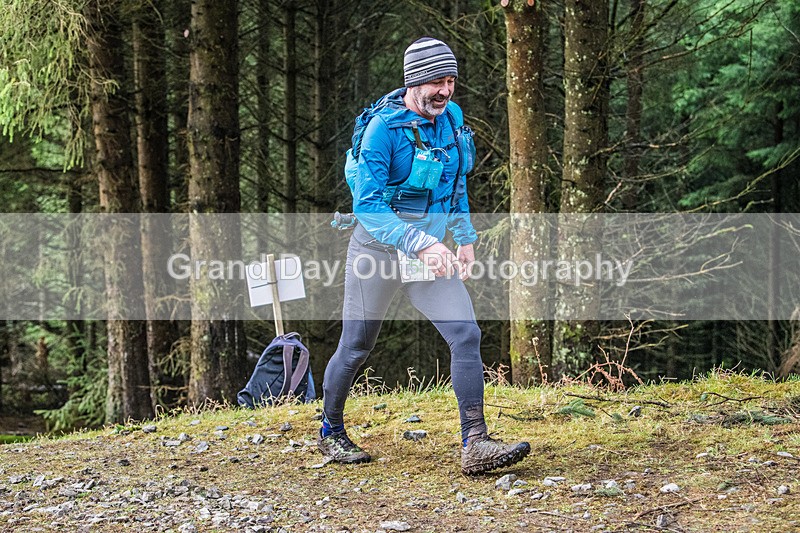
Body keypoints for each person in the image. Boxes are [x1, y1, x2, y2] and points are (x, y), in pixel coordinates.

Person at [318, 37, 530, 475]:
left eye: (451, 81)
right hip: (377, 251)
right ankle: (331, 431)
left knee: (466, 333)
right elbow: (368, 206)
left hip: (428, 254)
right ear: (414, 81)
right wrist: (422, 243)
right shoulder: (382, 130)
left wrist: (463, 236)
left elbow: (455, 183)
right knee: (356, 347)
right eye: (437, 81)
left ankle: (476, 443)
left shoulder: (451, 118)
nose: (445, 90)